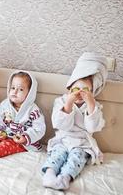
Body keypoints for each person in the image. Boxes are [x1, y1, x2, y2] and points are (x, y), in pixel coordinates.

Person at [41, 52, 108, 190]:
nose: (79, 94)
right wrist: (69, 104)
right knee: (57, 155)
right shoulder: (61, 101)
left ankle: (65, 177)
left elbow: (92, 128)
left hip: (82, 143)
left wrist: (90, 104)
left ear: (92, 93)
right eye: (76, 89)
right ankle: (49, 174)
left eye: (85, 91)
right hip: (63, 139)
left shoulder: (94, 106)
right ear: (69, 89)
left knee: (76, 159)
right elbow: (59, 124)